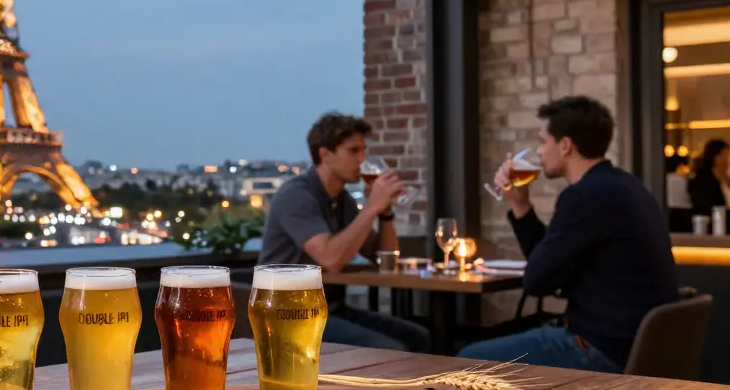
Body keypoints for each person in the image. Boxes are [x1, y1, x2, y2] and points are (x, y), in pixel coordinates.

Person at [458, 96, 678, 372]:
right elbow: (547, 270)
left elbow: (537, 282)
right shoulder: (624, 186)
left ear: (565, 146)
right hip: (638, 349)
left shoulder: (585, 196)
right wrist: (521, 204)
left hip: (601, 350)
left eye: (542, 141)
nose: (538, 152)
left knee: (466, 358)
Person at [258, 112, 431, 352]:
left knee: (418, 337)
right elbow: (331, 259)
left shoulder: (342, 200)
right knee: (390, 348)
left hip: (329, 308)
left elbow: (384, 258)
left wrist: (385, 212)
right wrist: (371, 207)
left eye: (364, 151)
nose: (363, 159)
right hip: (289, 314)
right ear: (325, 154)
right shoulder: (296, 196)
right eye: (353, 151)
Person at [687, 138, 729, 220]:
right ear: (717, 157)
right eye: (726, 155)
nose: (728, 159)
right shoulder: (703, 182)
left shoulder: (725, 178)